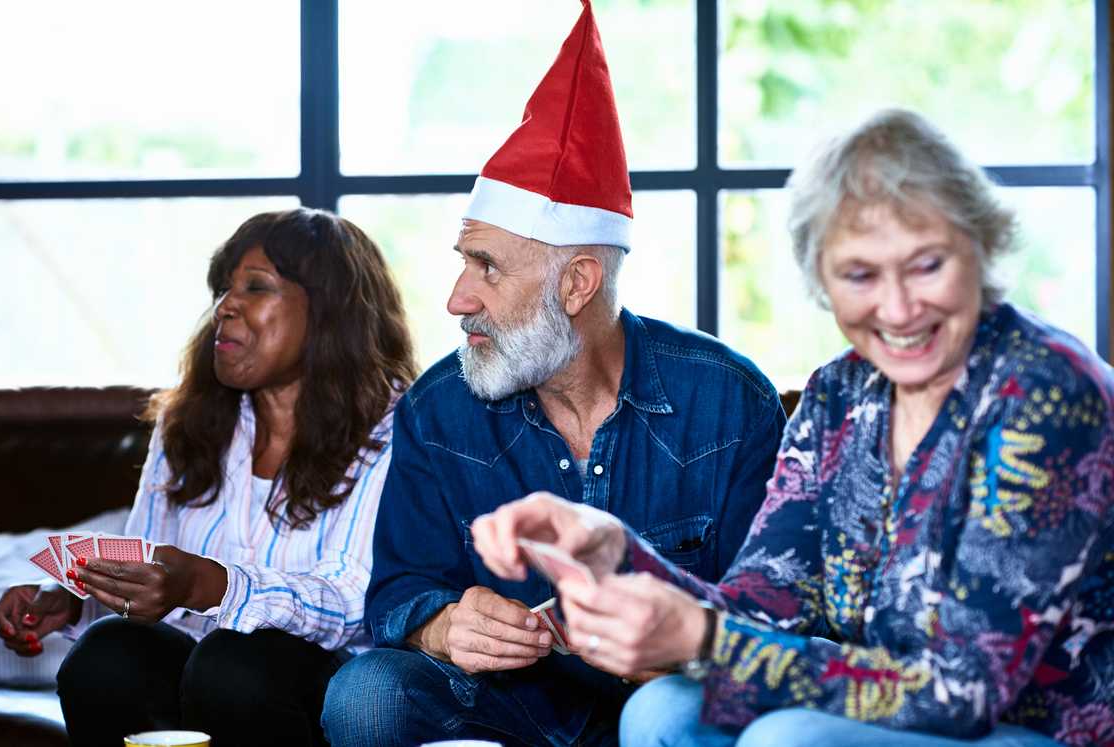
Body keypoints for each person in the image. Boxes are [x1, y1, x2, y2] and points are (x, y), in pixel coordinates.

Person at [472, 108, 1114, 747]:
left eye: (927, 266)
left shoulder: (1046, 393)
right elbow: (760, 607)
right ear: (824, 281)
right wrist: (613, 549)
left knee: (789, 740)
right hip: (892, 712)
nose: (897, 308)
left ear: (981, 246)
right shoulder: (839, 394)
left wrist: (702, 637)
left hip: (1032, 728)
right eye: (860, 275)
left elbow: (965, 689)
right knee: (661, 711)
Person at [320, 4, 784, 746]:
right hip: (506, 702)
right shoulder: (439, 408)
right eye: (462, 261)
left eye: (487, 268)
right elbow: (397, 589)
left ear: (577, 283)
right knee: (366, 695)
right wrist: (444, 625)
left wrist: (666, 642)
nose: (455, 299)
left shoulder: (731, 402)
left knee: (662, 715)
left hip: (671, 703)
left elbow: (772, 619)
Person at [0, 208, 418, 747]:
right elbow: (146, 563)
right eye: (222, 289)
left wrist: (211, 585)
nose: (226, 305)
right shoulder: (186, 421)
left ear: (330, 311)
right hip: (198, 667)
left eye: (255, 287)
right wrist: (76, 599)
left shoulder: (394, 428)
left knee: (234, 663)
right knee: (106, 651)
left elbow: (357, 601)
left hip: (321, 685)